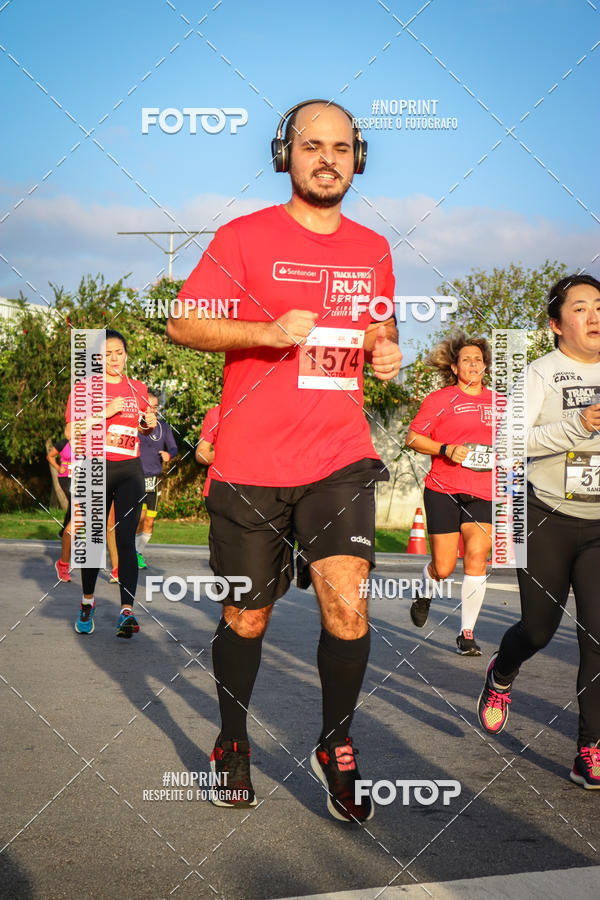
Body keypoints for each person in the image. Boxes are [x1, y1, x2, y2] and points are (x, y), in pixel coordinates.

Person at [168, 99, 402, 822]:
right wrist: (266, 330)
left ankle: (336, 742)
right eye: (312, 146)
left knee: (348, 599)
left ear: (356, 157)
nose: (327, 158)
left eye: (340, 146)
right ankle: (232, 741)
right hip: (250, 460)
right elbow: (181, 322)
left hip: (339, 454)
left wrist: (388, 351)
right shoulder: (243, 237)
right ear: (286, 155)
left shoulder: (373, 248)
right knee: (246, 617)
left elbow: (378, 330)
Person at [477, 274, 600, 790]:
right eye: (580, 308)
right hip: (545, 513)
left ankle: (590, 748)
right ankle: (503, 671)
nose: (594, 315)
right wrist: (580, 426)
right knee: (538, 630)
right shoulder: (539, 374)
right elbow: (509, 444)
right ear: (556, 324)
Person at [405, 334, 495, 655]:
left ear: (485, 366)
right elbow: (413, 439)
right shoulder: (441, 399)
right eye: (466, 360)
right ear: (456, 367)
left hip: (484, 491)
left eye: (478, 359)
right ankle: (425, 589)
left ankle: (466, 633)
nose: (473, 364)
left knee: (476, 558)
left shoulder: (501, 403)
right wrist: (445, 448)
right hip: (442, 489)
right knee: (443, 567)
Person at [65, 329, 156, 637]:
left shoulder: (138, 387)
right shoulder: (85, 388)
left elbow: (143, 427)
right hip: (97, 467)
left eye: (119, 352)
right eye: (107, 354)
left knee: (126, 539)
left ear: (126, 354)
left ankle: (126, 612)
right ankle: (87, 602)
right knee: (93, 542)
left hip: (130, 468)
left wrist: (148, 424)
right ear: (96, 358)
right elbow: (70, 431)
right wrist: (105, 412)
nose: (114, 358)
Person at [136, 390, 178, 568]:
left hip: (154, 478)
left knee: (150, 520)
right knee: (139, 517)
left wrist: (169, 454)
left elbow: (174, 448)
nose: (152, 411)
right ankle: (130, 553)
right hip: (136, 476)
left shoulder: (164, 428)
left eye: (155, 407)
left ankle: (137, 551)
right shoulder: (134, 426)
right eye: (149, 407)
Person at [48, 437, 73, 582]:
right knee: (75, 501)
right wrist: (58, 467)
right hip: (65, 478)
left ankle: (64, 530)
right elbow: (50, 456)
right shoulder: (63, 443)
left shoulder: (87, 440)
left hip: (81, 477)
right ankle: (66, 530)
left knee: (74, 505)